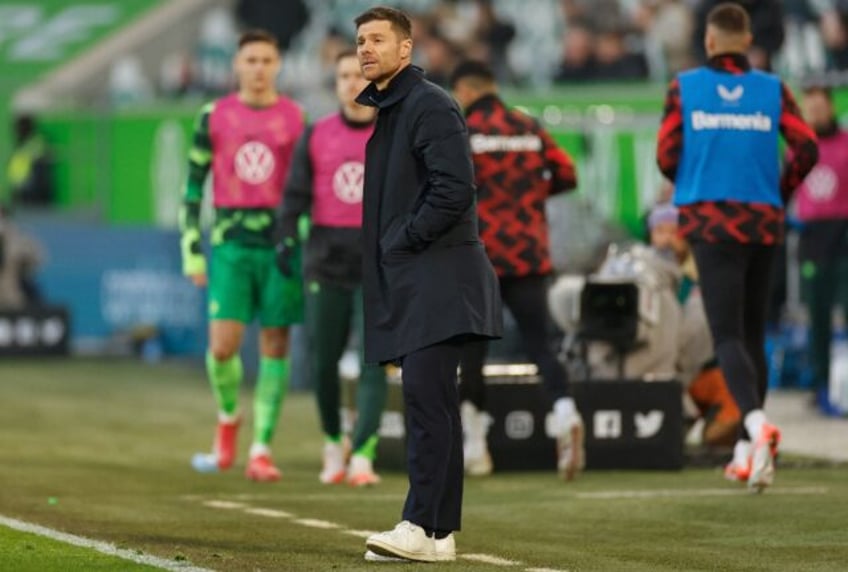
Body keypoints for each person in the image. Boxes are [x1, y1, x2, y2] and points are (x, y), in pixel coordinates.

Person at [353, 6, 502, 563]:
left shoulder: (430, 104)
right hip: (424, 278)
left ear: (406, 49)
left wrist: (402, 239)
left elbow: (455, 189)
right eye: (361, 41)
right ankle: (438, 535)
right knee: (431, 402)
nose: (365, 49)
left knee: (426, 401)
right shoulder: (397, 108)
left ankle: (418, 522)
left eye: (377, 40)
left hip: (442, 277)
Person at [656, 3, 818, 492]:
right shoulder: (773, 89)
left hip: (710, 222)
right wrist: (778, 188)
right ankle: (750, 453)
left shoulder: (684, 88)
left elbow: (666, 155)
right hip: (763, 221)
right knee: (752, 332)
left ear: (708, 42)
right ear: (748, 42)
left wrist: (693, 178)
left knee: (726, 334)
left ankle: (753, 425)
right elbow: (807, 147)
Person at [448, 59, 585, 480]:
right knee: (540, 343)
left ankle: (476, 446)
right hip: (529, 252)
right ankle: (565, 413)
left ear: (466, 92)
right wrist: (532, 194)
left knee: (472, 348)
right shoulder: (529, 127)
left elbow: (452, 187)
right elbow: (567, 173)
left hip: (482, 254)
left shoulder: (467, 132)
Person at [179, 29, 305, 482]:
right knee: (222, 346)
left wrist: (300, 239)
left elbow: (304, 188)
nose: (258, 68)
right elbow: (193, 187)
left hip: (279, 245)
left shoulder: (295, 117)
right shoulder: (213, 115)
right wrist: (192, 250)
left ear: (278, 66)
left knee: (275, 344)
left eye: (266, 60)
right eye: (250, 60)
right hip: (230, 244)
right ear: (236, 65)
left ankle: (262, 448)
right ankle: (229, 419)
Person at [276, 49, 388, 486]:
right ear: (335, 83)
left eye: (356, 74)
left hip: (378, 264)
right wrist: (286, 237)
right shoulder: (316, 134)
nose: (349, 82)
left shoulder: (391, 134)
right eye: (342, 75)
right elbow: (294, 196)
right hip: (326, 263)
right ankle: (331, 443)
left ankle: (363, 454)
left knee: (374, 362)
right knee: (323, 363)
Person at [792, 85, 848, 416]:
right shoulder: (798, 149)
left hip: (842, 237)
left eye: (819, 106)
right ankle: (820, 384)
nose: (815, 113)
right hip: (812, 241)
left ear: (829, 107)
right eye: (808, 108)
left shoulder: (844, 145)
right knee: (818, 318)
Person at [3, 114, 54, 208]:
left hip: (32, 191)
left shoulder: (36, 143)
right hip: (20, 189)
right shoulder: (21, 144)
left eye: (20, 127)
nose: (17, 130)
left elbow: (40, 166)